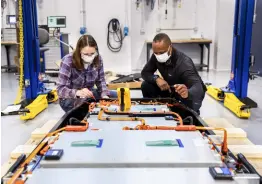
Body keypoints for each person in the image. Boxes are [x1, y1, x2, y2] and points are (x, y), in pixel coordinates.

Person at [141, 33, 206, 113]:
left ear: (170, 47)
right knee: (146, 85)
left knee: (186, 110)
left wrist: (187, 92)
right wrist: (156, 79)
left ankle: (188, 113)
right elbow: (145, 73)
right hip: (172, 90)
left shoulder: (184, 63)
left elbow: (198, 87)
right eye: (155, 53)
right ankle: (153, 111)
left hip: (189, 95)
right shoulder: (156, 56)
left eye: (161, 53)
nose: (158, 56)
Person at [57, 34, 117, 112]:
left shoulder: (98, 59)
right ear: (79, 52)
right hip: (70, 98)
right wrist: (78, 92)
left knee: (117, 96)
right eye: (85, 54)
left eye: (92, 53)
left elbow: (101, 81)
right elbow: (60, 90)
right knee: (86, 104)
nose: (89, 56)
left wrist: (104, 95)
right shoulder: (68, 61)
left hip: (89, 94)